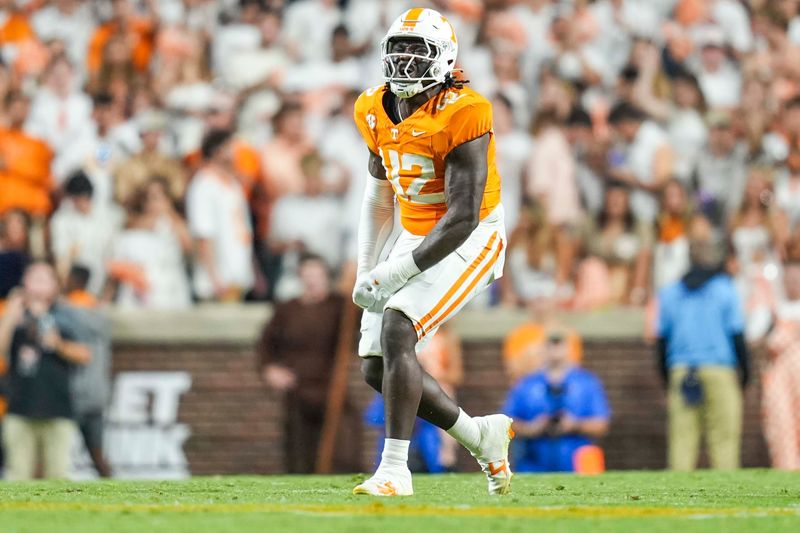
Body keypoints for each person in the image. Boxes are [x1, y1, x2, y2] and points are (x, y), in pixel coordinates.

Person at [350, 8, 512, 497]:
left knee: (399, 324)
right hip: (414, 233)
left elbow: (462, 217)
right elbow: (380, 195)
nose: (402, 60)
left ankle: (395, 470)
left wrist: (395, 272)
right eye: (397, 49)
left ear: (443, 56)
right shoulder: (372, 107)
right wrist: (367, 269)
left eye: (415, 50)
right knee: (375, 365)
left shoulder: (466, 111)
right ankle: (479, 435)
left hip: (473, 236)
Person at [656, 226, 750, 471]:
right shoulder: (724, 289)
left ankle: (677, 502)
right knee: (724, 441)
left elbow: (661, 343)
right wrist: (746, 375)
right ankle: (728, 499)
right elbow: (738, 336)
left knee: (682, 443)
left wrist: (667, 378)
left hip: (682, 371)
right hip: (720, 371)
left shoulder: (670, 292)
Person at [257, 253, 359, 473]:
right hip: (298, 391)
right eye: (308, 274)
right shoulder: (288, 310)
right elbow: (266, 345)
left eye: (317, 275)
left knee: (342, 449)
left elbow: (358, 324)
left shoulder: (339, 306)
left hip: (331, 388)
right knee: (299, 453)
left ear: (325, 277)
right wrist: (271, 370)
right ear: (300, 277)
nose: (312, 280)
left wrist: (355, 284)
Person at [0, 262, 91, 480]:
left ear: (55, 285)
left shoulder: (65, 314)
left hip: (58, 408)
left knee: (58, 476)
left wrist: (58, 344)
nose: (38, 284)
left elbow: (85, 354)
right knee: (17, 478)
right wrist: (11, 316)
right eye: (33, 278)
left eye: (44, 279)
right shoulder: (15, 314)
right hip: (20, 408)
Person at [503, 328, 610, 473]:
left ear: (570, 347)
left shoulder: (586, 382)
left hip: (575, 463)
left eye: (559, 343)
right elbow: (506, 423)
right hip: (533, 464)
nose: (555, 348)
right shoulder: (526, 383)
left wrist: (575, 425)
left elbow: (601, 424)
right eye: (550, 343)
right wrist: (531, 428)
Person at [186, 128, 254, 301]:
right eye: (232, 147)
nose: (237, 152)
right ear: (218, 151)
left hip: (238, 276)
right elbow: (203, 235)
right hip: (217, 283)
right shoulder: (203, 185)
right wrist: (214, 279)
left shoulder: (233, 184)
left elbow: (243, 230)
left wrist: (254, 271)